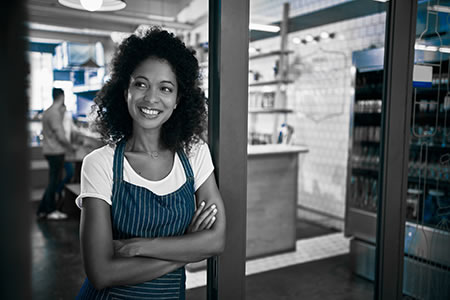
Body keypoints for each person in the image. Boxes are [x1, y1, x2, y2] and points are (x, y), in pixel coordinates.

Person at [75, 27, 226, 299]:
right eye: (140, 84)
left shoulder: (194, 154)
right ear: (125, 91)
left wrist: (139, 246)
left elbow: (216, 240)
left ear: (178, 99)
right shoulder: (100, 164)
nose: (151, 98)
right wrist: (186, 248)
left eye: (165, 88)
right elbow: (101, 273)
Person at [37, 88, 75, 220]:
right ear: (62, 97)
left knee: (53, 181)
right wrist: (70, 147)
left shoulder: (48, 112)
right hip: (56, 151)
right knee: (54, 182)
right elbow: (60, 136)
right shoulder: (54, 113)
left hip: (49, 150)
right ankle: (50, 210)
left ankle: (42, 209)